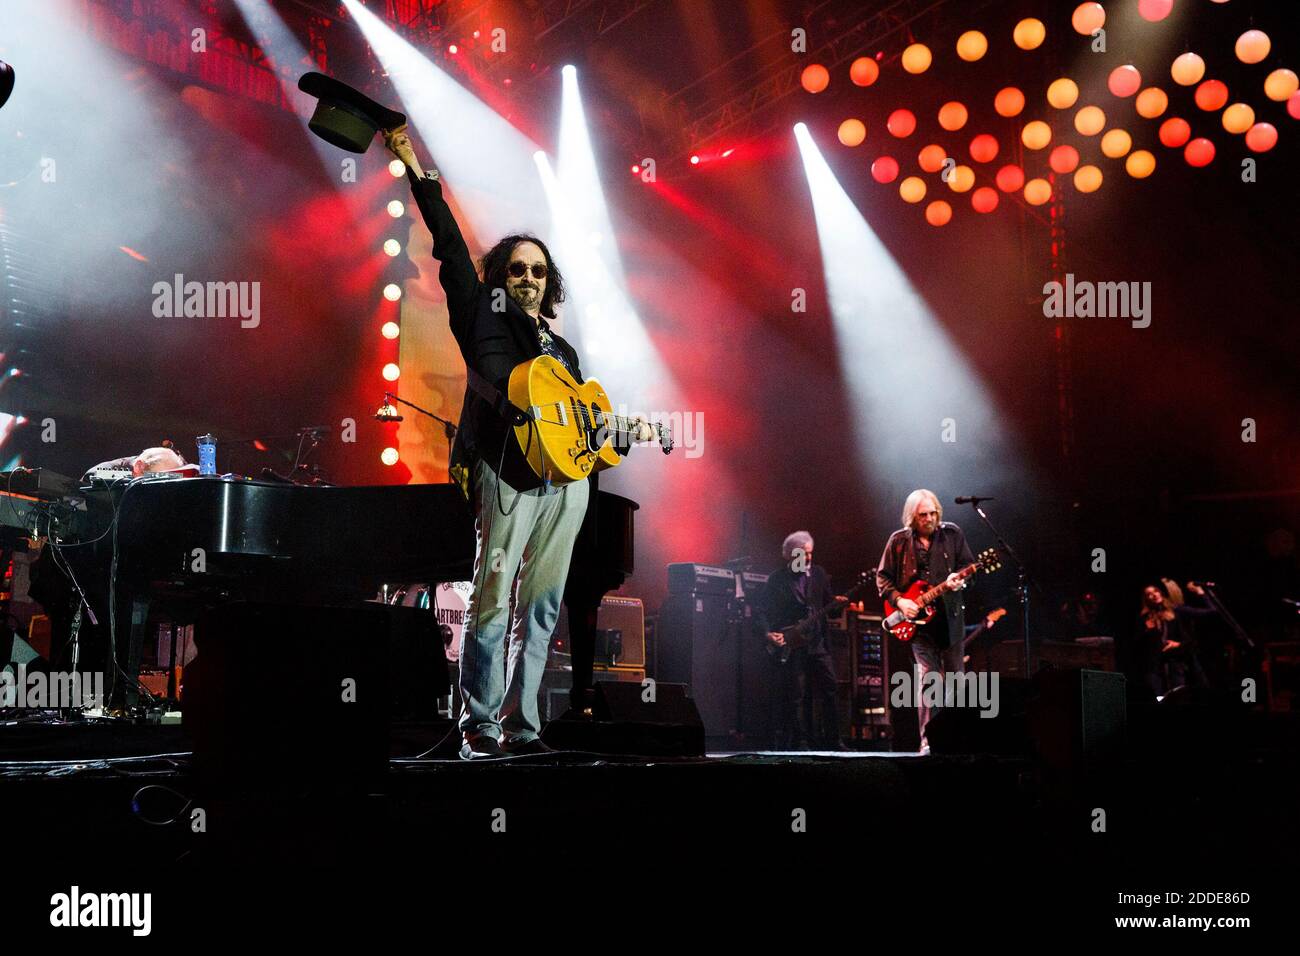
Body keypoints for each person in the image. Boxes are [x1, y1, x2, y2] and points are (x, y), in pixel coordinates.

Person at [384, 127, 653, 760]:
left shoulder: (564, 350)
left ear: (548, 282)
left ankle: (524, 727)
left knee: (543, 603)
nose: (528, 279)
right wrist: (413, 164)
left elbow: (584, 424)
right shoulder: (481, 315)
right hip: (507, 472)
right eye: (517, 269)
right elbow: (448, 245)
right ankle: (479, 723)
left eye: (538, 271)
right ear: (501, 277)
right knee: (493, 595)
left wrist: (621, 433)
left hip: (570, 484)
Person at [876, 489, 975, 753]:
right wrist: (900, 601)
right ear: (912, 517)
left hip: (950, 620)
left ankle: (957, 741)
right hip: (918, 625)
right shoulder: (898, 541)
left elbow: (970, 568)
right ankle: (929, 741)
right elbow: (883, 578)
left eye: (933, 513)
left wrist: (960, 580)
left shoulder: (952, 534)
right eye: (923, 515)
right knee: (929, 680)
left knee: (956, 681)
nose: (929, 518)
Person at [754, 531, 844, 750]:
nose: (808, 558)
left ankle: (834, 741)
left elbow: (829, 609)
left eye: (810, 553)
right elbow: (760, 610)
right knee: (796, 695)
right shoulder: (777, 579)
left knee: (830, 688)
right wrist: (768, 633)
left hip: (818, 644)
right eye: (802, 554)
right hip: (793, 645)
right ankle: (800, 742)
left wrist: (837, 605)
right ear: (789, 556)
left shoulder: (819, 574)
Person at [1132, 579, 1214, 699]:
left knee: (1180, 697)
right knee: (1158, 699)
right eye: (1149, 594)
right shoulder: (1144, 618)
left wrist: (1200, 592)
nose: (1154, 595)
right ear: (1146, 600)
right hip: (1155, 670)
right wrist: (1147, 631)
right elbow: (1136, 646)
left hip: (1176, 664)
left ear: (1160, 593)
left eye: (1155, 591)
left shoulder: (1176, 610)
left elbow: (1211, 612)